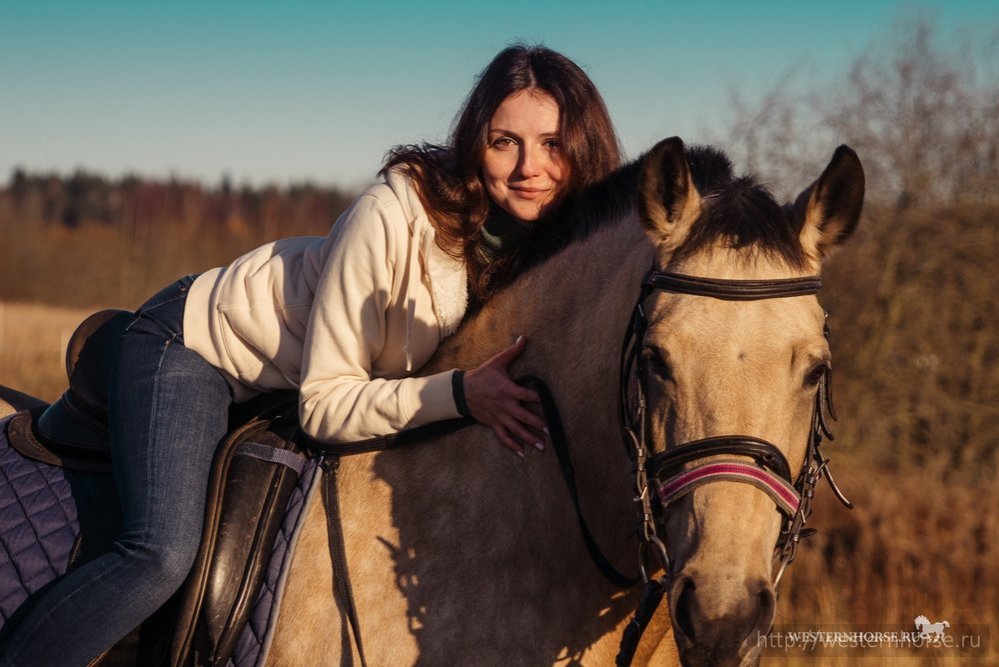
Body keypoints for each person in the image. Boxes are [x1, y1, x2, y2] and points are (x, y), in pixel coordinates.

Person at [0, 44, 621, 665]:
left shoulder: (554, 254)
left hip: (291, 372)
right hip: (196, 345)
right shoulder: (389, 216)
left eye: (553, 145)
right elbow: (324, 405)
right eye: (504, 141)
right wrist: (461, 394)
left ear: (583, 150)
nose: (528, 168)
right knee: (157, 554)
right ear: (473, 144)